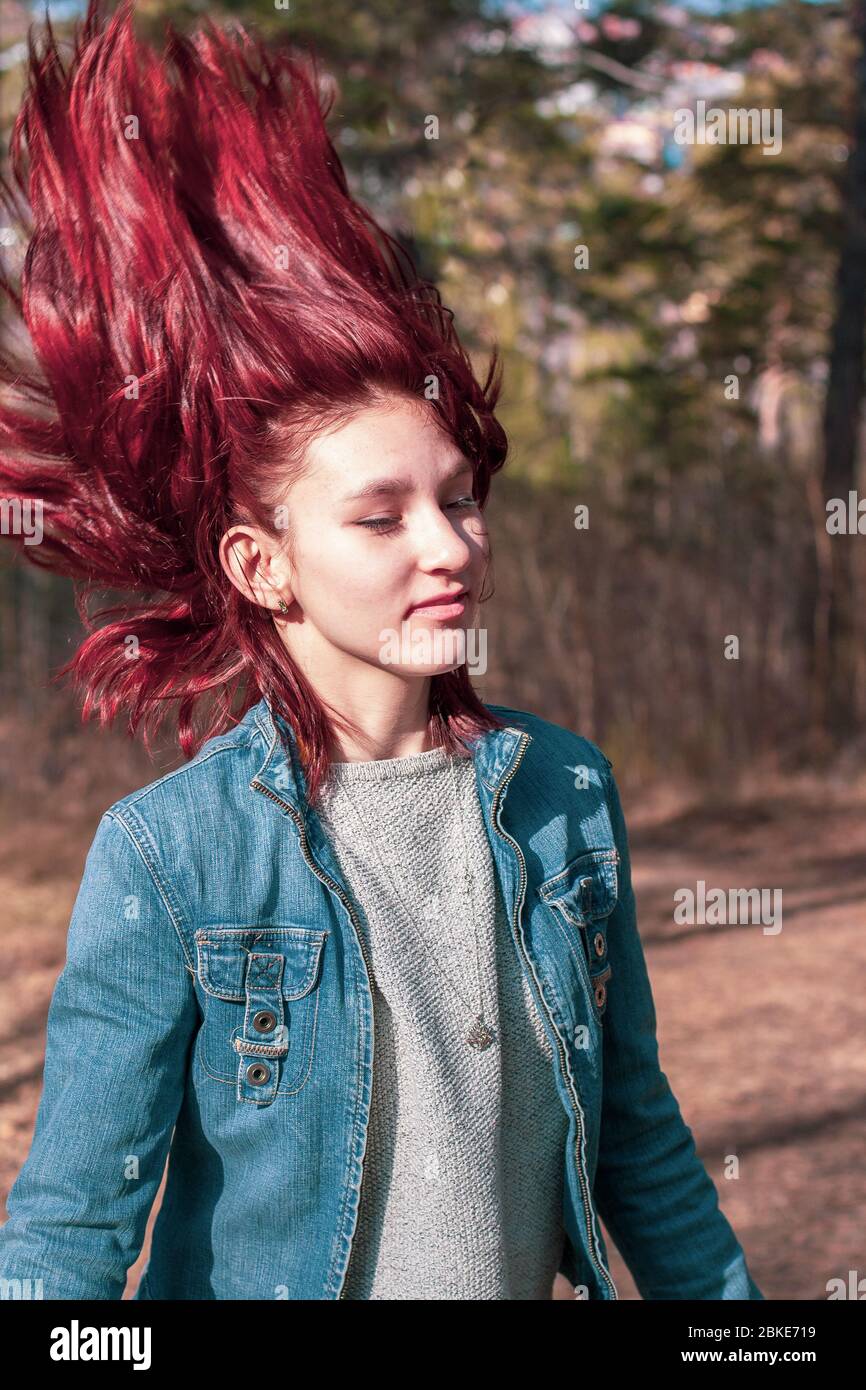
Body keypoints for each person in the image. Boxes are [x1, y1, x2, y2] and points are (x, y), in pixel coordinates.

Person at [0, 1, 763, 1301]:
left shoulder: (565, 796)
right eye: (380, 513)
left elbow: (637, 1138)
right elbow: (69, 1238)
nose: (448, 544)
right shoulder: (170, 856)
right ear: (263, 565)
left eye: (458, 498)